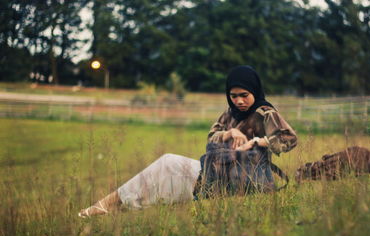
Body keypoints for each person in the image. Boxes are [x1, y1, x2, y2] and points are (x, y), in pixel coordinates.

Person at [78, 65, 297, 217]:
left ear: (255, 91)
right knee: (165, 169)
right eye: (233, 95)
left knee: (168, 163)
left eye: (244, 95)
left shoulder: (265, 111)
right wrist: (228, 134)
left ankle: (106, 206)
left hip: (248, 179)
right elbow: (211, 139)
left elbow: (289, 139)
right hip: (216, 174)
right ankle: (109, 205)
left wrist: (257, 142)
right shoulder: (228, 113)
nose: (239, 101)